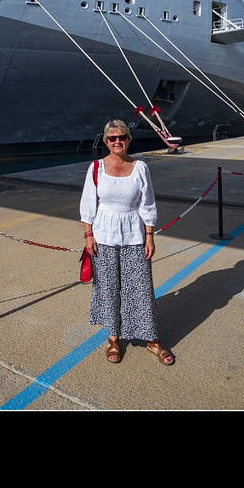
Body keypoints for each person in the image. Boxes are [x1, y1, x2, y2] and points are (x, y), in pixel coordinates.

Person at [80, 120, 174, 365]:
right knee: (108, 288)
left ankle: (151, 339)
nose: (117, 141)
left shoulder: (140, 167)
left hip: (134, 235)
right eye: (112, 138)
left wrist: (150, 235)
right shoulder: (96, 168)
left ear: (129, 140)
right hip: (103, 237)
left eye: (122, 137)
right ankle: (113, 337)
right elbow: (88, 204)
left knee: (141, 288)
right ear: (106, 141)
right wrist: (88, 235)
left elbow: (147, 203)